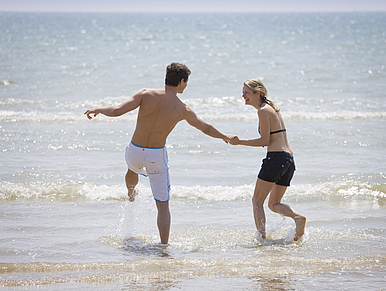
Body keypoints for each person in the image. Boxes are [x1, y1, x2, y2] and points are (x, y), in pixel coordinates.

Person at [84, 62, 233, 245]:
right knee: (163, 206)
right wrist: (224, 136)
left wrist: (98, 109)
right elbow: (206, 128)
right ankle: (164, 245)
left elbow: (116, 111)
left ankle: (131, 193)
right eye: (186, 82)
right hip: (156, 157)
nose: (186, 85)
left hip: (135, 152)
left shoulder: (145, 94)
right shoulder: (182, 108)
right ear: (181, 81)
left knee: (132, 168)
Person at [229, 78, 306, 241]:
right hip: (289, 160)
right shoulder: (273, 109)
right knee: (273, 204)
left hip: (276, 159)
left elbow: (265, 141)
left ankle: (261, 240)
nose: (243, 96)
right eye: (243, 92)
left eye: (246, 93)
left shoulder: (263, 110)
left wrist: (238, 142)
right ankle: (298, 218)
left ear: (257, 93)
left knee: (257, 201)